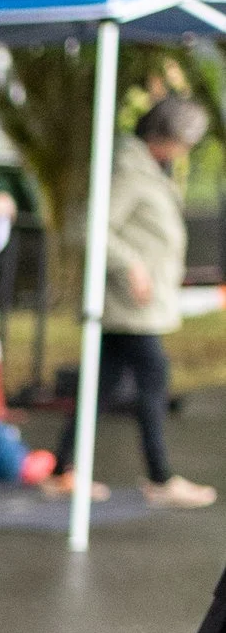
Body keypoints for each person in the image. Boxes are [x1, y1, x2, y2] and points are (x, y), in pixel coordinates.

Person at [57, 96, 215, 510]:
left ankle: (63, 469)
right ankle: (160, 476)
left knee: (101, 383)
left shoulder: (153, 172)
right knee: (152, 375)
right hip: (128, 304)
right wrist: (132, 266)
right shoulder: (130, 172)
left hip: (139, 304)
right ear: (168, 137)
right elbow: (92, 225)